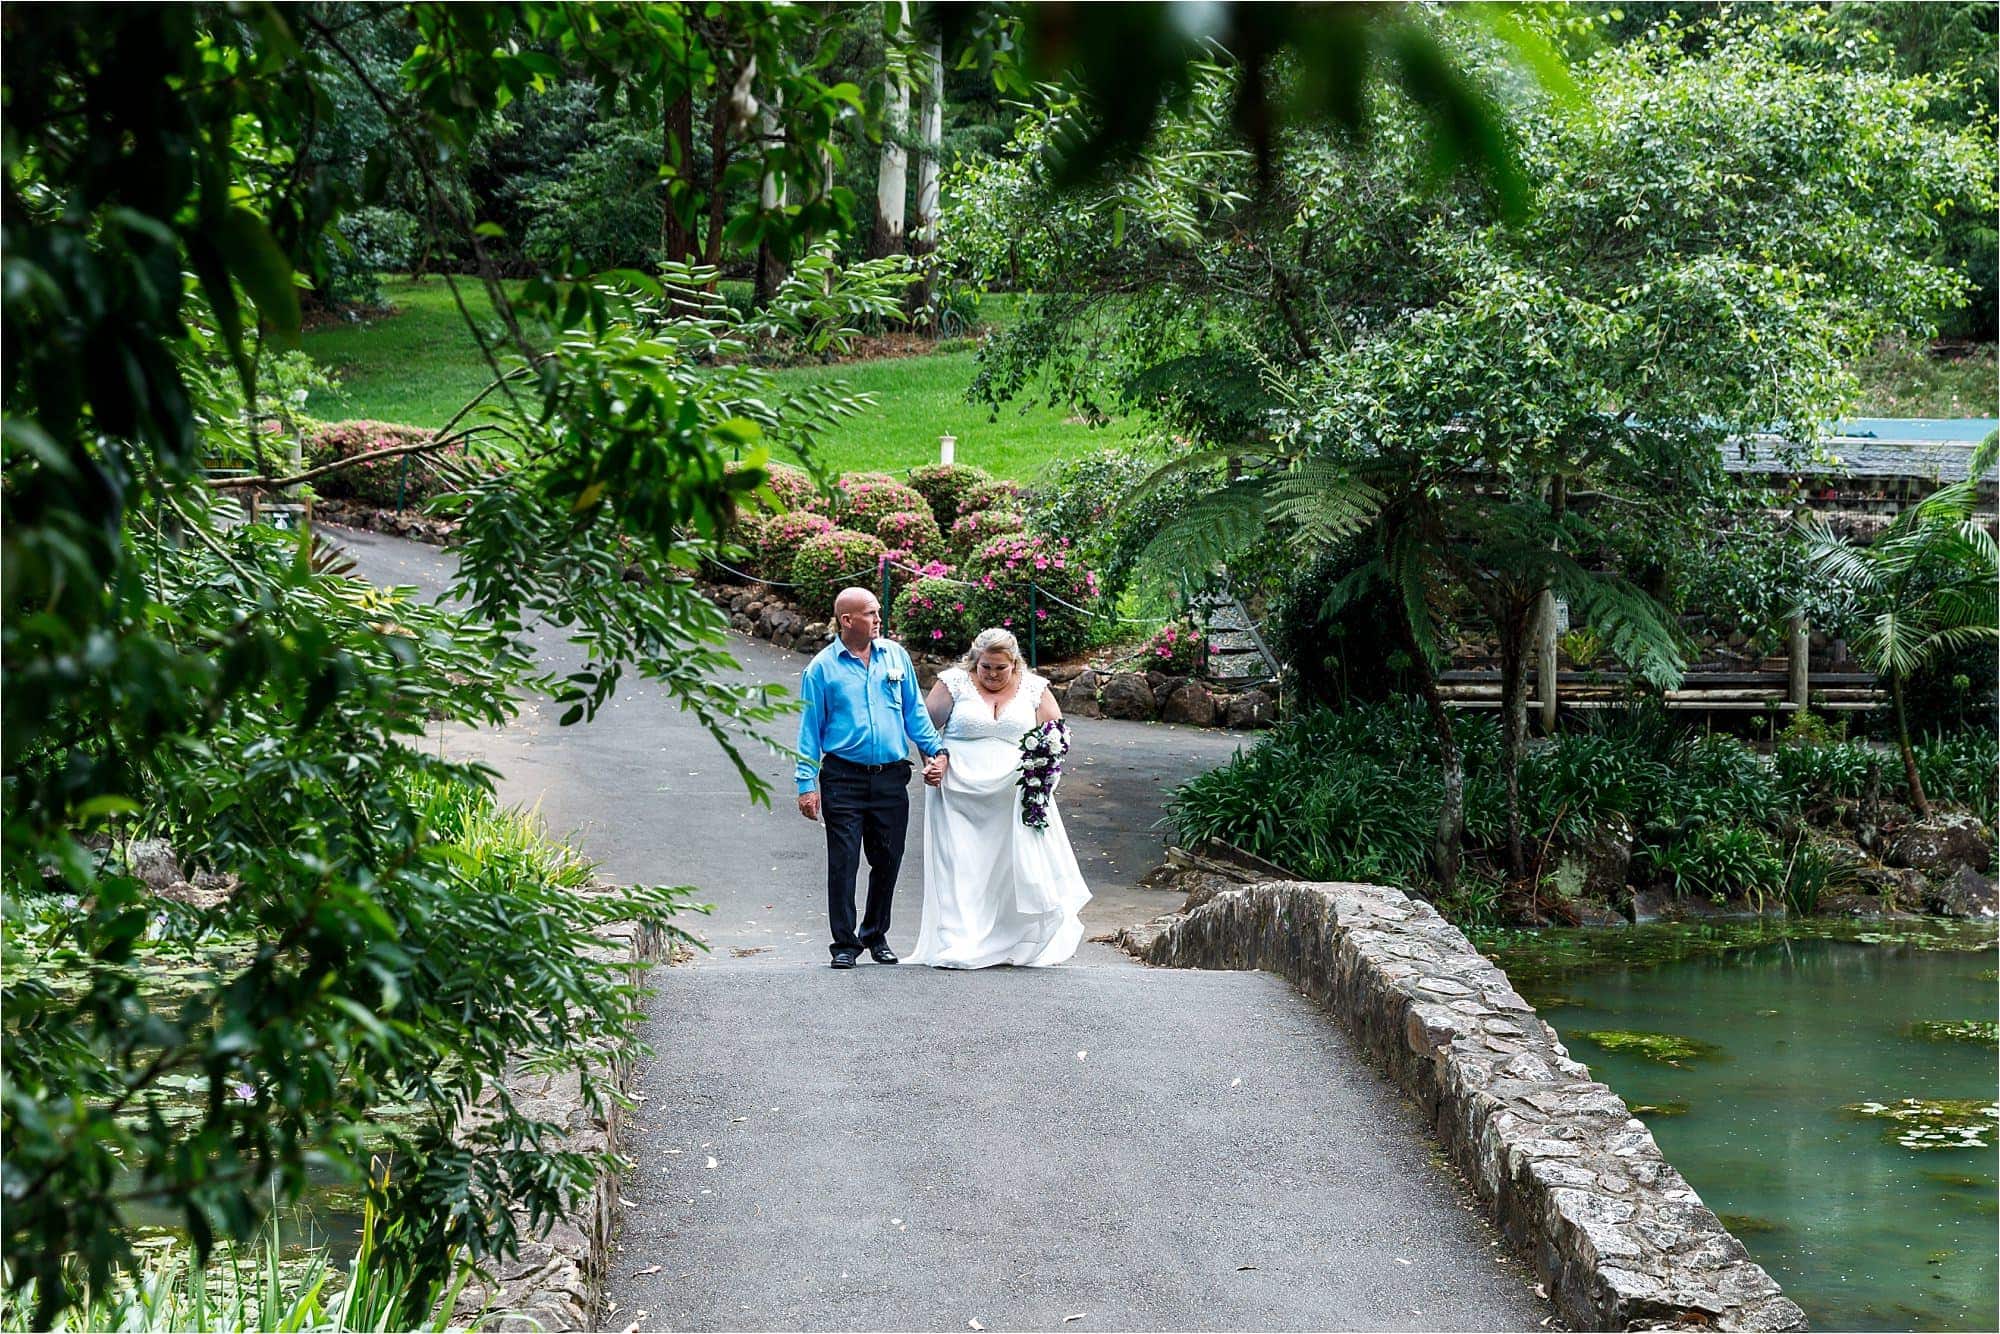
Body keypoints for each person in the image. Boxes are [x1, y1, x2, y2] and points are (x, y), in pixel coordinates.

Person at [907, 628, 1092, 969]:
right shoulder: (953, 683)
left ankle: (1010, 940)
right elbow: (924, 727)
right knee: (960, 865)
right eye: (985, 667)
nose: (992, 675)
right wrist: (934, 761)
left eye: (1000, 669)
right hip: (958, 792)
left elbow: (1056, 737)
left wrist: (1042, 778)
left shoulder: (1035, 688)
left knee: (1008, 868)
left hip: (1013, 794)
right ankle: (959, 942)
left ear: (1014, 664)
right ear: (974, 662)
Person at [796, 587, 950, 969]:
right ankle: (844, 944)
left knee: (888, 858)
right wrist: (805, 784)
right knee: (844, 862)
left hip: (890, 779)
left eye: (878, 611)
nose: (879, 618)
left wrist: (937, 753)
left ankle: (875, 934)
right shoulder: (821, 669)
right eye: (870, 613)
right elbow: (809, 730)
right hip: (842, 778)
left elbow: (915, 712)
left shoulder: (895, 657)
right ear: (847, 621)